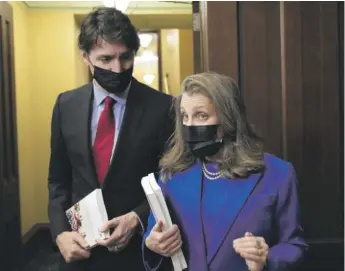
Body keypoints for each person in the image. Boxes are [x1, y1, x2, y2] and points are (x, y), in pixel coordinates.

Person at [48, 7, 174, 271]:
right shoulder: (65, 105)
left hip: (140, 251)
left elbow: (171, 179)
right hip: (81, 253)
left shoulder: (162, 107)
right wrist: (60, 233)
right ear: (86, 57)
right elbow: (58, 180)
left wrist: (138, 218)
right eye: (105, 59)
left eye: (125, 57)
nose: (117, 68)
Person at [142, 72, 308, 271]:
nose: (190, 125)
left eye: (201, 115)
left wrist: (267, 257)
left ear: (228, 118)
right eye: (185, 116)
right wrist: (152, 243)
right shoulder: (171, 174)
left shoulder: (278, 174)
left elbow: (294, 245)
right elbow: (155, 234)